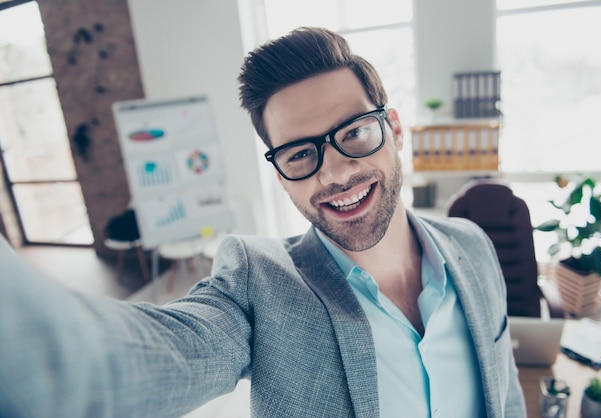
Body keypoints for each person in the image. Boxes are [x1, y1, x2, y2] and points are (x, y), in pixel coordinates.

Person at [0, 27, 525, 417]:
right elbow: (124, 364)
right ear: (280, 174)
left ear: (394, 128)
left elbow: (504, 393)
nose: (337, 172)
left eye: (356, 133)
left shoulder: (473, 246)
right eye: (300, 154)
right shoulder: (259, 282)